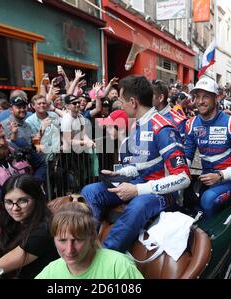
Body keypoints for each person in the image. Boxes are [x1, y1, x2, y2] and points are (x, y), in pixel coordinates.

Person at [81, 75, 191, 253]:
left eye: (121, 101)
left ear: (132, 102)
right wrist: (120, 173)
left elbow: (184, 178)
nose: (120, 105)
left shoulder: (163, 129)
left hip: (163, 194)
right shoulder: (137, 126)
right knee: (90, 191)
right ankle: (87, 244)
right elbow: (141, 165)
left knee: (137, 206)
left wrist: (137, 190)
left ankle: (106, 258)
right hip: (139, 183)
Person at [185, 76, 231, 219]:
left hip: (229, 181)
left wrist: (220, 176)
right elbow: (187, 157)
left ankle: (210, 238)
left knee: (208, 200)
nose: (200, 101)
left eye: (205, 97)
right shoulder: (191, 124)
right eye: (197, 97)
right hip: (205, 178)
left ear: (217, 98)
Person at [35, 202, 143, 279]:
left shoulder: (119, 266)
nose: (69, 250)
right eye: (62, 240)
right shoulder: (50, 271)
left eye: (78, 240)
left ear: (91, 237)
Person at [0, 121, 46, 199]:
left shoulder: (19, 145)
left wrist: (35, 182)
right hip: (11, 206)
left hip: (35, 197)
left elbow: (41, 165)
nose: (2, 142)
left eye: (3, 137)